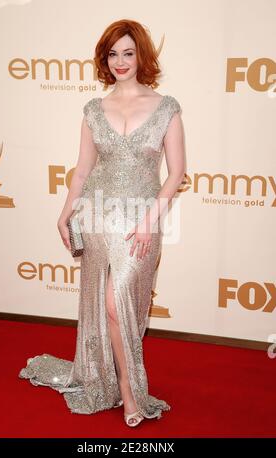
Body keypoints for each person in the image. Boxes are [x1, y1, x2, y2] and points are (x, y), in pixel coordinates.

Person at [18, 19, 185, 428]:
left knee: (118, 303)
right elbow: (82, 170)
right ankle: (118, 387)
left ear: (142, 55)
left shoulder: (166, 107)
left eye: (128, 52)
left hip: (140, 221)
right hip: (96, 214)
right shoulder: (94, 109)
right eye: (113, 53)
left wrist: (150, 219)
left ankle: (129, 389)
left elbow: (177, 173)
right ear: (104, 59)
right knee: (103, 305)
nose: (120, 61)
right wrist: (65, 211)